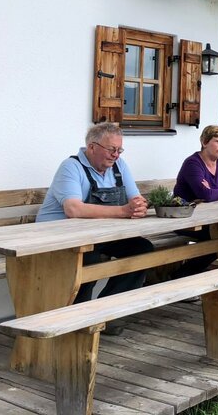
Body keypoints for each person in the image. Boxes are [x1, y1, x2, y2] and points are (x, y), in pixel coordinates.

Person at [36, 122, 154, 333]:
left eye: (119, 150)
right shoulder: (71, 167)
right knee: (88, 258)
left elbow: (135, 197)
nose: (116, 155)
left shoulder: (119, 166)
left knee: (142, 250)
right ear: (92, 147)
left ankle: (104, 313)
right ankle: (77, 322)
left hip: (98, 234)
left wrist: (138, 206)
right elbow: (74, 209)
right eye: (111, 150)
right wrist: (123, 212)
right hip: (57, 236)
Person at [171, 125, 218, 278]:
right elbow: (206, 194)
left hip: (208, 219)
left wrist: (217, 193)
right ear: (205, 142)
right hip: (185, 220)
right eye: (217, 141)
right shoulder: (193, 163)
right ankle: (180, 276)